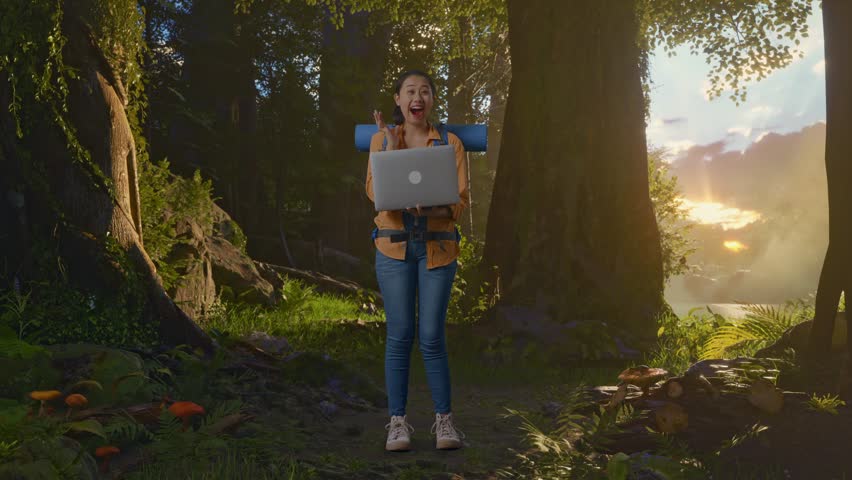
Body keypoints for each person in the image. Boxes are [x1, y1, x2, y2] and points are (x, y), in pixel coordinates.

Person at [365, 69, 470, 451]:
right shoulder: (381, 139)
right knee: (400, 334)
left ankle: (444, 423)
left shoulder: (449, 143)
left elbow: (459, 201)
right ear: (398, 99)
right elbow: (375, 192)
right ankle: (398, 424)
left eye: (425, 91)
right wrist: (391, 146)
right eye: (411, 90)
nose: (418, 96)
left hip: (437, 247)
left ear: (431, 101)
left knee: (431, 336)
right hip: (393, 248)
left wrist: (433, 204)